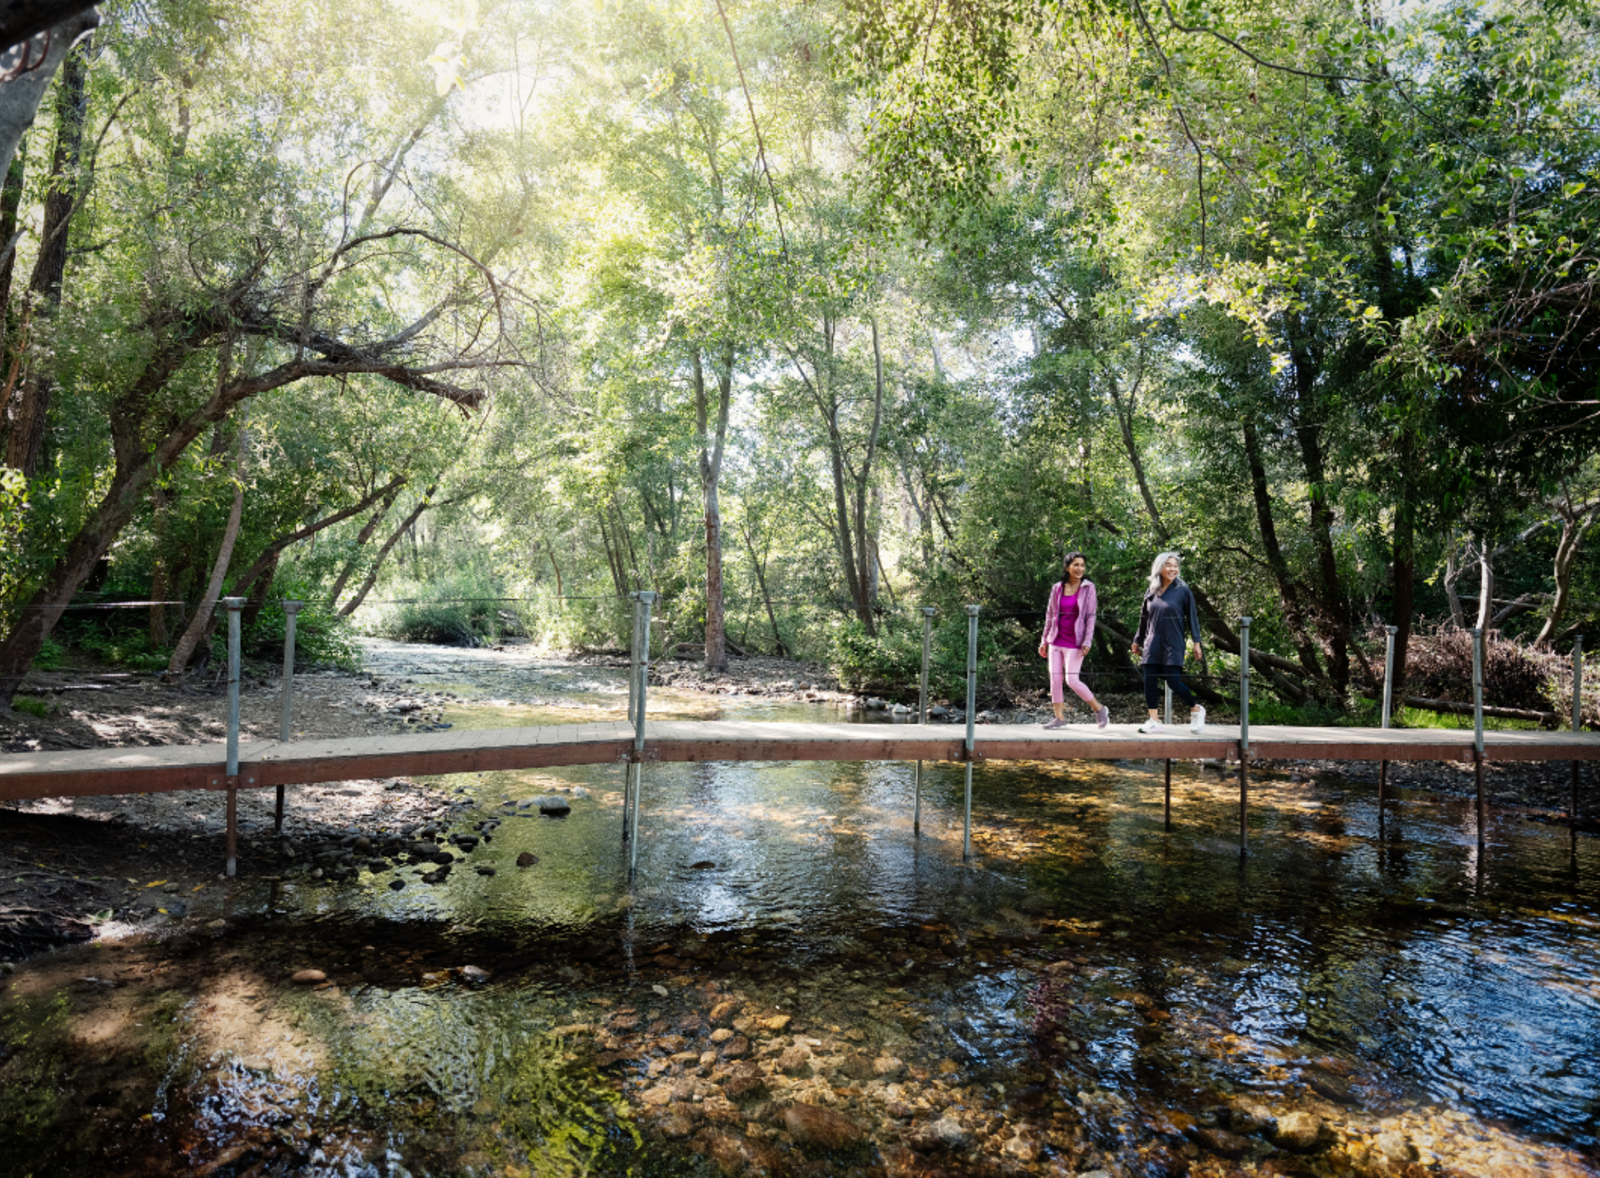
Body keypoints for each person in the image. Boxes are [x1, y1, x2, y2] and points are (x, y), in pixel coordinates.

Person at [1131, 551, 1206, 734]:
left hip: (1173, 642)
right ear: (1160, 567)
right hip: (1152, 642)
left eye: (1175, 565)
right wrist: (1137, 640)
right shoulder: (1151, 590)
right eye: (1169, 565)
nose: (1173, 569)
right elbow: (1144, 618)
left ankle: (1196, 709)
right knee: (1149, 681)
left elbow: (1193, 618)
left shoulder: (1183, 590)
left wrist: (1197, 642)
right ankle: (1154, 720)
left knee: (1173, 681)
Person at [1037, 551, 1111, 730]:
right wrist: (1044, 640)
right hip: (1055, 640)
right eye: (1076, 565)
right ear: (1067, 567)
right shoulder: (1057, 588)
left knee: (1072, 680)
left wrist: (1087, 641)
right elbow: (1049, 615)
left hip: (1075, 642)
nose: (1080, 568)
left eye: (1082, 565)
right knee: (1055, 680)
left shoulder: (1088, 588)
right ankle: (1059, 718)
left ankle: (1099, 709)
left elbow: (1091, 617)